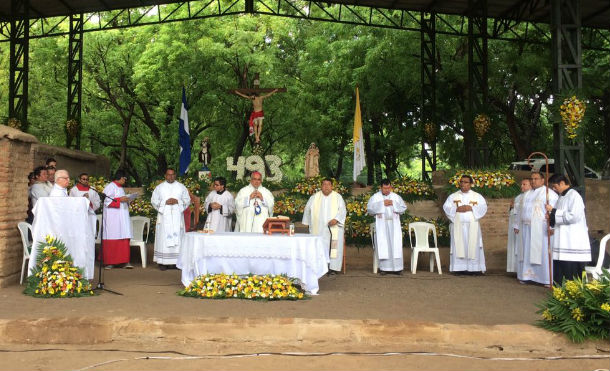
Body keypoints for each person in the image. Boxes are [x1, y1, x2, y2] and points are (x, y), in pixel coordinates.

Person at [546, 174, 592, 283]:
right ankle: (560, 294)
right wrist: (550, 217)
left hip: (572, 241)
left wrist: (554, 211)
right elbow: (557, 215)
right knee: (560, 269)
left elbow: (574, 216)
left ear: (562, 183)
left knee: (571, 271)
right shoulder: (561, 197)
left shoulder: (575, 196)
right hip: (561, 241)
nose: (554, 189)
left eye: (555, 186)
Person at [517, 171, 558, 286]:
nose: (533, 181)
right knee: (527, 252)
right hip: (526, 227)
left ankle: (545, 278)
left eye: (536, 179)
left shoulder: (549, 194)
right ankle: (527, 276)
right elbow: (521, 210)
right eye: (532, 179)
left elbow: (553, 211)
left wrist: (551, 226)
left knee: (543, 253)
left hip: (541, 229)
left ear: (542, 180)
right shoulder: (527, 194)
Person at [443, 175, 488, 273]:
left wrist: (471, 208)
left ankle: (474, 269)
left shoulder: (477, 196)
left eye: (466, 182)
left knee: (474, 246)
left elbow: (483, 208)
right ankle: (459, 268)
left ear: (471, 184)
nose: (463, 184)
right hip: (459, 225)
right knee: (459, 246)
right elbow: (446, 207)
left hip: (473, 226)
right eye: (461, 182)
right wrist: (456, 209)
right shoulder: (453, 196)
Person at [302, 178, 347, 274]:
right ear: (321, 186)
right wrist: (306, 223)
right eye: (324, 184)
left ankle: (333, 268)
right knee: (320, 246)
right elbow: (307, 210)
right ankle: (321, 266)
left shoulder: (337, 197)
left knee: (334, 246)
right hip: (319, 228)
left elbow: (343, 210)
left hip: (334, 228)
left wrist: (336, 219)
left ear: (332, 186)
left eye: (328, 184)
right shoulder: (314, 197)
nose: (326, 187)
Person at [151, 168, 191, 271]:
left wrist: (177, 201)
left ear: (175, 175)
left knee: (178, 238)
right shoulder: (159, 188)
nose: (171, 177)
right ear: (165, 175)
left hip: (177, 217)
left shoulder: (181, 187)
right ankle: (163, 262)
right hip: (164, 217)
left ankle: (177, 262)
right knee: (164, 237)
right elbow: (154, 201)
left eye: (173, 175)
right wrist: (165, 202)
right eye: (169, 175)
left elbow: (187, 200)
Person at [367, 179, 407, 274]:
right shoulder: (375, 197)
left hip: (394, 225)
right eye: (385, 188)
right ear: (381, 188)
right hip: (382, 225)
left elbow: (403, 208)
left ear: (391, 187)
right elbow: (369, 209)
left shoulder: (396, 197)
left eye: (388, 188)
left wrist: (394, 203)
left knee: (395, 244)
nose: (387, 190)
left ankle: (397, 268)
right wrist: (382, 204)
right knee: (383, 245)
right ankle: (384, 268)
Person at [102, 170, 134, 269]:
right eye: (125, 178)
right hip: (113, 218)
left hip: (122, 217)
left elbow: (121, 200)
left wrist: (128, 200)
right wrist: (120, 200)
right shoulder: (110, 187)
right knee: (113, 237)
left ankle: (124, 261)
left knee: (123, 237)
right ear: (121, 177)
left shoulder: (120, 188)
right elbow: (106, 201)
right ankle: (110, 262)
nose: (125, 180)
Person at [507, 178, 532, 273]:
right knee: (515, 246)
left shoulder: (532, 197)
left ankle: (524, 270)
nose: (521, 186)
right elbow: (512, 211)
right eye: (521, 184)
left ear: (530, 185)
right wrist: (511, 207)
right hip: (514, 224)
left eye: (524, 184)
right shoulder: (518, 197)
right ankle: (515, 268)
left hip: (523, 225)